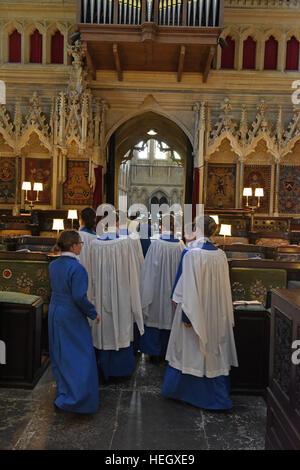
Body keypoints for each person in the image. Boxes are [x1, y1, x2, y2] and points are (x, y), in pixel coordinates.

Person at [161, 216, 238, 410]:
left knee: (190, 350)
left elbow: (183, 288)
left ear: (197, 229)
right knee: (211, 349)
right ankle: (216, 396)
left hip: (194, 312)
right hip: (214, 311)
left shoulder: (191, 254)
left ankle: (186, 392)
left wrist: (187, 316)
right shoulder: (220, 255)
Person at [48, 230, 100, 413]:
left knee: (60, 353)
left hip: (55, 311)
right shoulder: (78, 269)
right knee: (80, 355)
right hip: (71, 314)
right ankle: (78, 399)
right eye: (80, 243)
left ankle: (64, 394)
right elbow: (79, 297)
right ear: (73, 246)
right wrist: (93, 313)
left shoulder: (53, 265)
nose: (81, 246)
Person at [90, 215, 144, 381]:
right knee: (120, 327)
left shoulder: (94, 243)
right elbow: (133, 274)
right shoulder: (125, 243)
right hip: (122, 295)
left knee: (103, 329)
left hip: (100, 294)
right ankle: (120, 370)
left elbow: (91, 274)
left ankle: (102, 367)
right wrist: (135, 297)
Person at [139, 214, 184, 362]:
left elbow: (148, 271)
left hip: (157, 289)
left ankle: (154, 352)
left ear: (161, 226)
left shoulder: (156, 245)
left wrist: (146, 290)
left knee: (156, 317)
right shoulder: (181, 245)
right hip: (174, 290)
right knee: (170, 319)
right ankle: (168, 352)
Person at [78, 207, 97, 301]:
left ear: (81, 220)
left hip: (79, 276)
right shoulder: (98, 238)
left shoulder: (77, 237)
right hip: (94, 278)